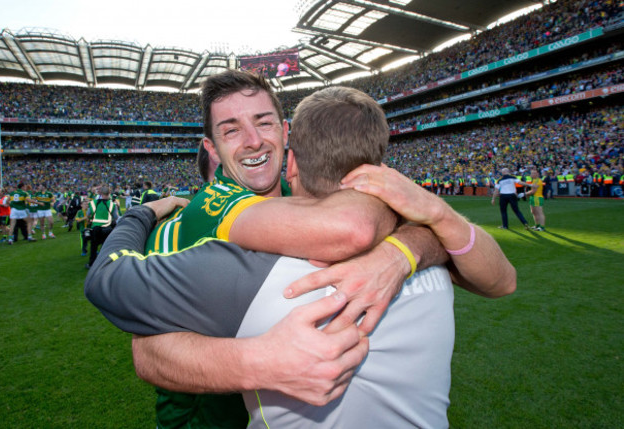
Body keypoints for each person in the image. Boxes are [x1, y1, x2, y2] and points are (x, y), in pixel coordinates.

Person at [89, 73, 515, 427]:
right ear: (211, 148)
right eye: (231, 130)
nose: (253, 141)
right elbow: (147, 354)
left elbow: (491, 274)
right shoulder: (208, 213)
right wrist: (261, 363)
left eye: (264, 122)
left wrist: (406, 250)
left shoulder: (312, 188)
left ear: (287, 133)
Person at [85, 186, 119, 269]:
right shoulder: (112, 204)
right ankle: (106, 263)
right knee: (106, 247)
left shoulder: (94, 203)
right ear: (109, 193)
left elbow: (88, 214)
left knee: (94, 247)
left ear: (101, 193)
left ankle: (91, 264)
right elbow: (116, 217)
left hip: (96, 228)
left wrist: (91, 219)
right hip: (107, 228)